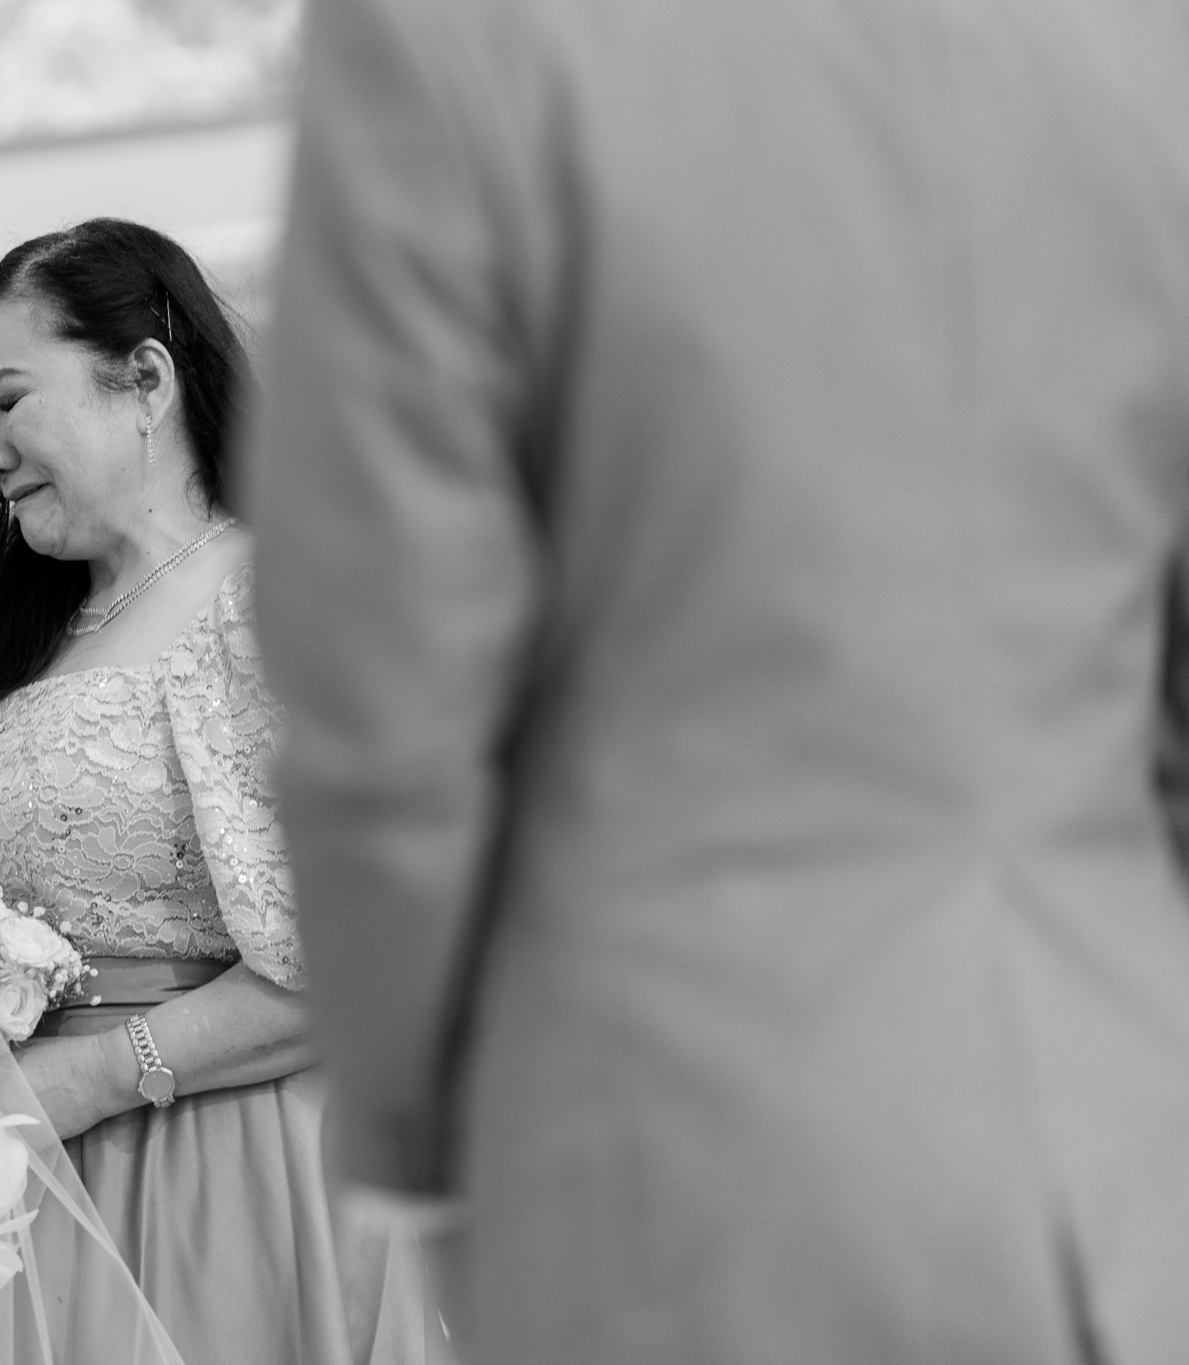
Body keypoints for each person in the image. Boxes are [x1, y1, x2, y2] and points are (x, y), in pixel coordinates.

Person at [251, 0, 1189, 1362]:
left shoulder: (444, 38)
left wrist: (418, 1139)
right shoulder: (1139, 42)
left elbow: (383, 718)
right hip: (1122, 1164)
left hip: (663, 1157)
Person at [0, 218, 447, 1365]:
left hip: (214, 1181)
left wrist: (85, 1075)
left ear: (144, 379)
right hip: (23, 1191)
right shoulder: (28, 649)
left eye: (8, 401)